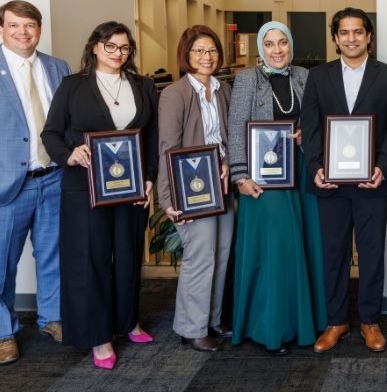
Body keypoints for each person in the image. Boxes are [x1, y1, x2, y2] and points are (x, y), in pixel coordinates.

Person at [41, 21, 158, 369]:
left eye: (124, 48)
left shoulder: (144, 85)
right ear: (95, 47)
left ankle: (128, 321)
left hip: (131, 188)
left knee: (127, 255)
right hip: (85, 188)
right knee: (90, 260)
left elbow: (149, 138)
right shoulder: (73, 86)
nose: (117, 53)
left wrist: (149, 179)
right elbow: (50, 134)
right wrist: (69, 154)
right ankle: (99, 336)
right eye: (110, 46)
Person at [300, 7, 387, 353]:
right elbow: (311, 127)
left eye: (358, 32)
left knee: (373, 252)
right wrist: (316, 166)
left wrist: (384, 166)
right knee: (333, 253)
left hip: (372, 182)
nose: (351, 38)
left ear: (368, 36)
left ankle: (370, 321)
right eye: (344, 32)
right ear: (335, 38)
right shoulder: (318, 77)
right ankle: (336, 321)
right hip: (329, 183)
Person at [0, 0, 70, 364]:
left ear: (39, 29)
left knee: (53, 256)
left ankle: (53, 317)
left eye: (29, 25)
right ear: (0, 28)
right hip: (0, 187)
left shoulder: (59, 68)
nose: (23, 32)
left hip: (53, 180)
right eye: (14, 26)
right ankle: (2, 333)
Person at [228, 21, 326, 355]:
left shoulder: (305, 76)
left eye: (283, 42)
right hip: (261, 177)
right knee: (275, 249)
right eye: (269, 44)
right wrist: (240, 176)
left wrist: (307, 135)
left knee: (302, 243)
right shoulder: (246, 80)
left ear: (291, 45)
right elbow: (236, 129)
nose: (277, 50)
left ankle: (303, 323)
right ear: (260, 48)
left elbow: (319, 120)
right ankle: (272, 327)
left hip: (298, 171)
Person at [157, 25, 233, 352]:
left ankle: (212, 320)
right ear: (187, 55)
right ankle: (191, 327)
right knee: (200, 256)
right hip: (191, 188)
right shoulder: (175, 93)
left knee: (223, 252)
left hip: (223, 183)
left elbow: (228, 136)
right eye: (199, 50)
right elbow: (167, 146)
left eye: (212, 50)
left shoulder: (223, 89)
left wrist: (229, 162)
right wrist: (167, 199)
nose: (207, 56)